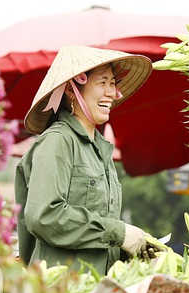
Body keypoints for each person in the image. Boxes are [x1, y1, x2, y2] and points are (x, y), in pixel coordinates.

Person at [15, 45, 155, 275]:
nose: (111, 92)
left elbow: (96, 237)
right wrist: (118, 233)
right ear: (72, 90)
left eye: (113, 83)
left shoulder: (100, 151)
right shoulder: (57, 142)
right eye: (102, 83)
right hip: (60, 291)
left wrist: (131, 246)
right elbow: (44, 216)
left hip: (96, 291)